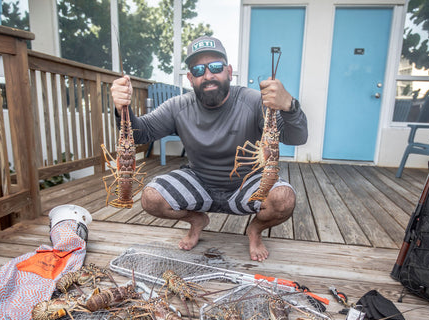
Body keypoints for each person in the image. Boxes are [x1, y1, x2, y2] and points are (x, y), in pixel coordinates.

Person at [111, 36, 308, 261]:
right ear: (190, 77)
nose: (208, 75)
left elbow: (297, 137)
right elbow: (140, 134)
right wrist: (120, 110)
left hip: (245, 184)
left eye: (215, 67)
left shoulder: (253, 101)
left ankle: (255, 230)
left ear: (229, 70)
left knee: (283, 199)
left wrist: (289, 106)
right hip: (200, 183)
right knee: (151, 198)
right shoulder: (178, 106)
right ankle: (197, 220)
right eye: (198, 70)